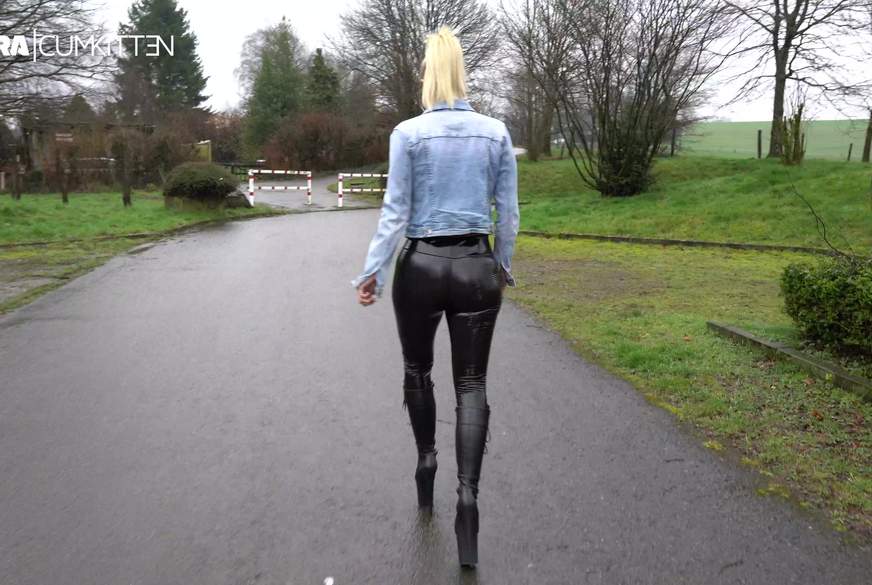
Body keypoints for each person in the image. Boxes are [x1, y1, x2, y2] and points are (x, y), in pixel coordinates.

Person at [350, 25, 519, 569]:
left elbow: (394, 211)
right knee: (472, 383)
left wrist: (372, 272)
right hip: (475, 265)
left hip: (420, 265)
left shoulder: (407, 134)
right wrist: (502, 264)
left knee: (417, 371)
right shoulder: (495, 133)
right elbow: (508, 213)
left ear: (428, 75)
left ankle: (427, 463)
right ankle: (468, 499)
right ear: (462, 73)